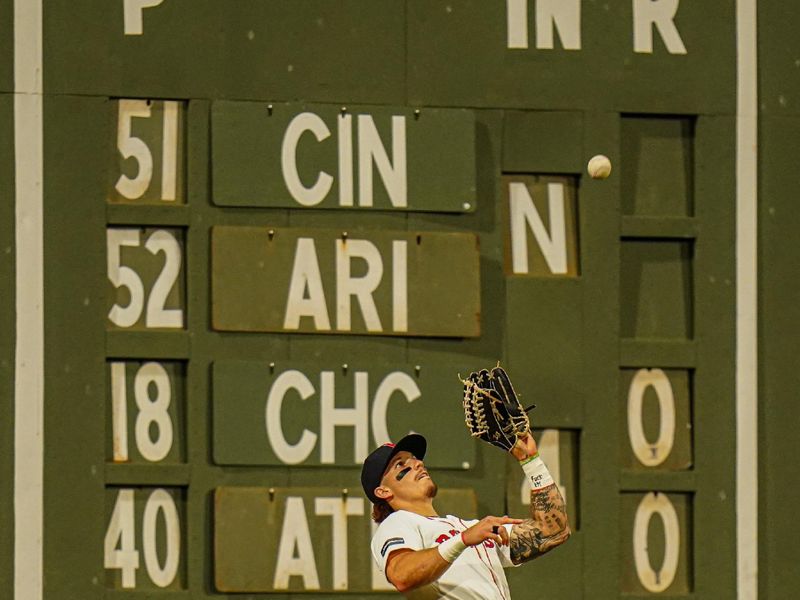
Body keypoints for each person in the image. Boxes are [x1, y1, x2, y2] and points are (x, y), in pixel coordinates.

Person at [360, 431, 570, 599]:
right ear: (383, 491)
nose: (417, 463)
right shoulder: (397, 522)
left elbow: (552, 531)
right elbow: (402, 575)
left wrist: (530, 460)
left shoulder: (467, 528)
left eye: (414, 459)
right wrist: (462, 540)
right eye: (400, 464)